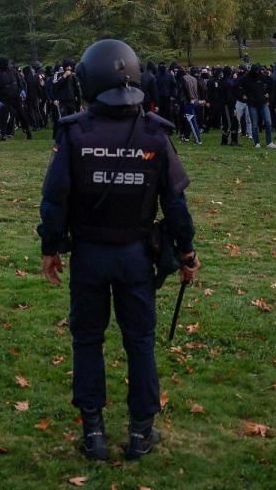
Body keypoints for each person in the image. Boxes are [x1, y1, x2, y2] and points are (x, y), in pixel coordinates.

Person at [38, 39, 200, 462]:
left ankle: (93, 430)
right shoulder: (154, 133)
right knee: (139, 341)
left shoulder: (75, 133)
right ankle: (141, 429)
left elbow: (54, 199)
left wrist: (51, 248)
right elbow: (176, 204)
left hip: (90, 254)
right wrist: (187, 251)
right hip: (134, 256)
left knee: (88, 339)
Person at [238, 64, 276, 148]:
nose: (257, 72)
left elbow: (271, 82)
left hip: (262, 102)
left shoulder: (261, 76)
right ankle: (257, 142)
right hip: (252, 104)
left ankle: (269, 142)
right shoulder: (246, 78)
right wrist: (243, 95)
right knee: (255, 124)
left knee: (268, 122)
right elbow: (237, 86)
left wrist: (268, 94)